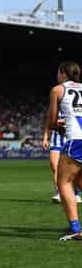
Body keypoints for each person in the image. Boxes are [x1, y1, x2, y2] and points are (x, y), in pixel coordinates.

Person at [49, 61, 82, 241]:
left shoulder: (58, 90)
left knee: (64, 183)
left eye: (58, 72)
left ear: (63, 73)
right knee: (79, 182)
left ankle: (75, 228)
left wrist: (59, 126)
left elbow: (52, 121)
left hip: (76, 140)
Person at [43, 110, 82, 203]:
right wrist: (45, 137)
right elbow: (49, 122)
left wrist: (63, 121)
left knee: (73, 170)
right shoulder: (55, 106)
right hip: (56, 139)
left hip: (72, 138)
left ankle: (75, 193)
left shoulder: (76, 104)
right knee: (54, 165)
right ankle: (59, 192)